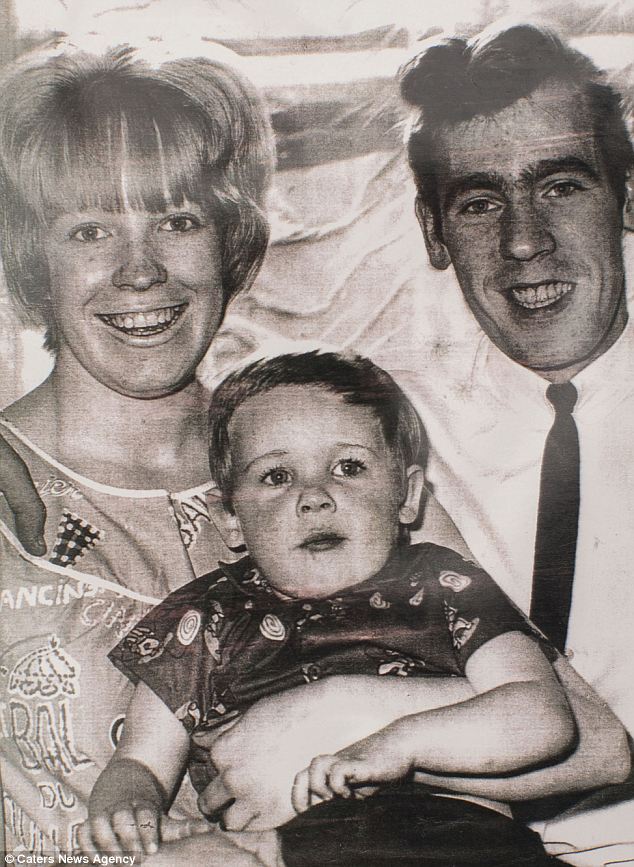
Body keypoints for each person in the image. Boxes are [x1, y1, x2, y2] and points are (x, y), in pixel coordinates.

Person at [82, 351, 585, 866]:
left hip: (449, 840)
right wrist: (128, 803)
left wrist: (402, 745)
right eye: (277, 476)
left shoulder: (445, 581)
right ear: (230, 518)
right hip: (274, 852)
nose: (314, 496)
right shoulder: (208, 613)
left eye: (348, 467)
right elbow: (141, 759)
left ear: (407, 496)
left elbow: (542, 716)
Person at [0, 45, 275, 858]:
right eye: (90, 230)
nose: (141, 269)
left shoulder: (321, 460)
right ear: (33, 262)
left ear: (228, 239)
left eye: (178, 219)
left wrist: (341, 719)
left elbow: (589, 741)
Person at [393, 22, 634, 863]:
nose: (524, 241)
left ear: (628, 196)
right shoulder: (378, 436)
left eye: (561, 186)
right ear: (434, 232)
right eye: (481, 201)